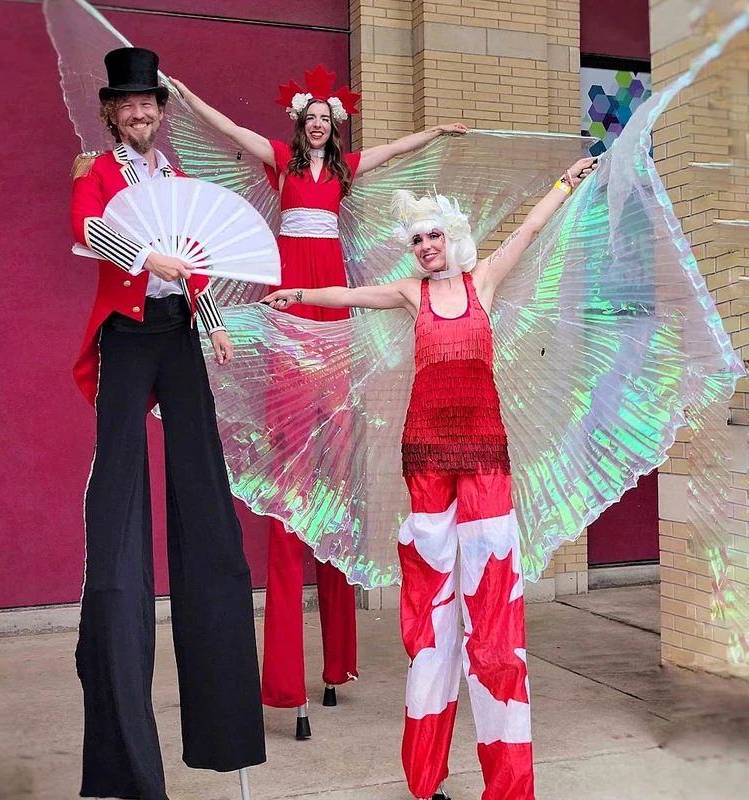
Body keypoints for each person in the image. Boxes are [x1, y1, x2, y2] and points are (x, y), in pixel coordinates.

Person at [263, 156, 598, 800]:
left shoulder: (485, 283)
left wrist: (564, 182)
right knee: (433, 617)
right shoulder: (409, 295)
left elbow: (529, 230)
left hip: (484, 458)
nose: (424, 247)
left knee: (494, 611)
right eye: (415, 241)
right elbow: (347, 296)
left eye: (432, 236)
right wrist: (298, 294)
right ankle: (425, 781)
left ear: (453, 236)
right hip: (426, 460)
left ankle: (509, 785)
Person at [169, 64, 467, 735]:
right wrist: (189, 96)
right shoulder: (280, 167)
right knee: (294, 490)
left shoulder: (343, 173)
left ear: (334, 128)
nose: (318, 125)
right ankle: (285, 680)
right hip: (287, 314)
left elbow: (393, 152)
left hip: (330, 313)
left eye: (327, 120)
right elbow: (236, 132)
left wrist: (434, 132)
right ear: (300, 122)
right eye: (312, 118)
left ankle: (336, 663)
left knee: (336, 485)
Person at [70, 47, 265, 799]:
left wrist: (212, 320)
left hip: (180, 335)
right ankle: (125, 763)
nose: (141, 112)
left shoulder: (179, 180)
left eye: (150, 102)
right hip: (125, 335)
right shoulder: (98, 172)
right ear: (113, 113)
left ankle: (225, 734)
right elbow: (90, 230)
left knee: (207, 511)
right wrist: (147, 252)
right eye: (129, 104)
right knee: (116, 522)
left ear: (159, 110)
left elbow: (200, 261)